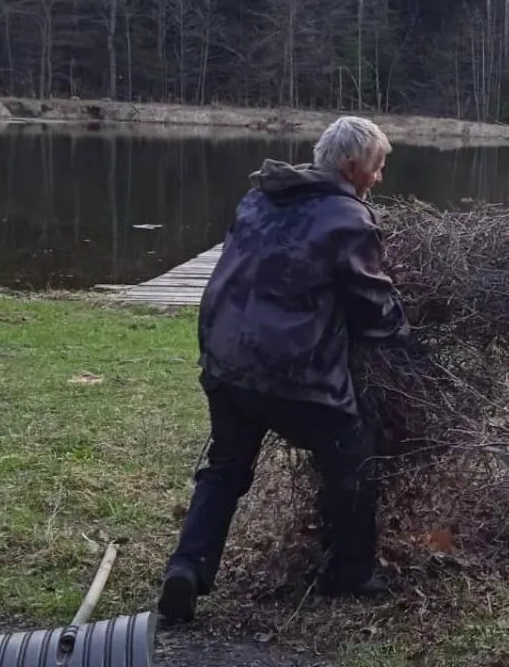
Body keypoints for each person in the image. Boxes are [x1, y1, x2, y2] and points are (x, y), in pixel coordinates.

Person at [157, 116, 410, 623]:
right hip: (294, 374)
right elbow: (369, 306)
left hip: (225, 361)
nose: (379, 179)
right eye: (378, 168)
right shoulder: (348, 217)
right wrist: (405, 332)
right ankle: (352, 573)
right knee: (352, 456)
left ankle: (186, 567)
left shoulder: (260, 197)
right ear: (351, 166)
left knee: (226, 468)